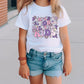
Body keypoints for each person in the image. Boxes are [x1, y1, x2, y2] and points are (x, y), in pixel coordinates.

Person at [15, 0, 72, 84]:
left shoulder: (59, 10)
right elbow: (22, 39)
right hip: (34, 59)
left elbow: (65, 37)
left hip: (54, 59)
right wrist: (23, 63)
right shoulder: (27, 10)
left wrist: (68, 60)